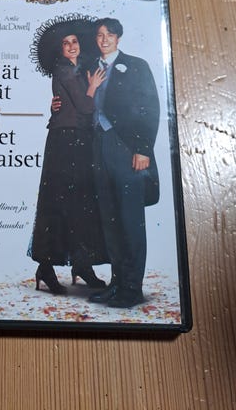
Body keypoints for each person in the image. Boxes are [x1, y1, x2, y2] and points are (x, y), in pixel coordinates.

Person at [29, 17, 108, 294]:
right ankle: (45, 268)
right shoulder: (64, 69)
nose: (72, 46)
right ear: (59, 49)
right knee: (58, 202)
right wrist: (92, 87)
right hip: (64, 142)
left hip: (82, 140)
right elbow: (85, 106)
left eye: (75, 41)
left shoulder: (82, 68)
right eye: (66, 43)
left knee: (83, 204)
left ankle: (82, 265)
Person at [88, 18, 160, 308]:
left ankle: (132, 288)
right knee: (109, 219)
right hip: (98, 146)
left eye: (110, 34)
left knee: (130, 220)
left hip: (127, 148)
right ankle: (116, 284)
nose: (104, 39)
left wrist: (143, 149)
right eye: (100, 35)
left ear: (119, 38)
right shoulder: (91, 67)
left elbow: (150, 107)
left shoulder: (136, 66)